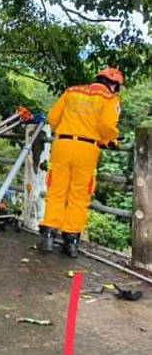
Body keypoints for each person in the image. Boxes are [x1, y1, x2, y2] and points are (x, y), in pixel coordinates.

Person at [39, 67, 123, 258]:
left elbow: (53, 118)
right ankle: (71, 240)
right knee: (79, 195)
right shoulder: (110, 99)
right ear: (113, 85)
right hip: (87, 149)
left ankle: (49, 234)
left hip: (62, 144)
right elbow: (107, 126)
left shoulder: (72, 91)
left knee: (56, 191)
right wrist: (111, 140)